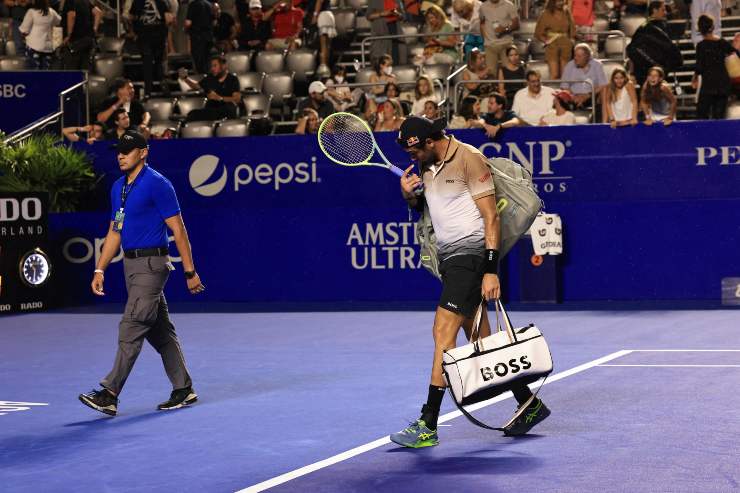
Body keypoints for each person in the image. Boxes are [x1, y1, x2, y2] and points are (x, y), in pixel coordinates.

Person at [390, 116, 550, 448]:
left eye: (415, 150)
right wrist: (409, 197)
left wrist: (491, 270)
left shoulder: (469, 158)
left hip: (472, 257)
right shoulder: (426, 165)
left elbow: (491, 216)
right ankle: (529, 403)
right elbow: (430, 209)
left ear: (431, 142)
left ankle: (428, 423)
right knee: (480, 337)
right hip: (450, 260)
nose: (412, 158)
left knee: (442, 333)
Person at [78, 130, 204, 417]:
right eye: (118, 150)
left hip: (152, 266)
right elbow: (114, 230)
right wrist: (100, 268)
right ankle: (184, 389)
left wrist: (190, 271)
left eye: (127, 150)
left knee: (132, 325)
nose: (120, 155)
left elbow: (178, 230)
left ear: (143, 152)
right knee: (160, 331)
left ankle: (109, 393)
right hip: (129, 266)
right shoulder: (119, 187)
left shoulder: (158, 184)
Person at [626, 0, 683, 86]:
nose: (665, 13)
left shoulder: (661, 26)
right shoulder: (645, 28)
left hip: (659, 72)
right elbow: (633, 49)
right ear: (655, 10)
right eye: (662, 10)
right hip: (645, 73)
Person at [691, 14, 735, 119]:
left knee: (702, 115)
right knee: (719, 117)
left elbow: (699, 66)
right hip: (723, 84)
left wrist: (695, 77)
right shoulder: (722, 42)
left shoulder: (701, 46)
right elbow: (735, 54)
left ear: (700, 28)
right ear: (712, 27)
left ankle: (704, 136)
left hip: (708, 85)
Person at [179, 54, 241, 121]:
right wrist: (185, 78)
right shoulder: (210, 78)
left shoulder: (232, 79)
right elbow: (196, 86)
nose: (212, 69)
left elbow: (237, 99)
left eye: (215, 66)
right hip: (211, 109)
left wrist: (220, 98)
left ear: (223, 66)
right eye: (211, 66)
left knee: (227, 110)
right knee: (192, 114)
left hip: (225, 109)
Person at [130, 0, 169, 96]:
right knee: (149, 62)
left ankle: (160, 87)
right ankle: (150, 89)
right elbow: (131, 17)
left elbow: (167, 18)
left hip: (157, 37)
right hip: (145, 38)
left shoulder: (161, 2)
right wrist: (134, 32)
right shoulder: (138, 2)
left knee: (156, 62)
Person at [534, 0, 575, 80]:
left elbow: (572, 29)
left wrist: (571, 40)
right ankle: (554, 92)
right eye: (558, 1)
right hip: (552, 45)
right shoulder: (546, 14)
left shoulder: (566, 12)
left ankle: (564, 92)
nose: (561, 3)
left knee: (565, 75)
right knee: (554, 74)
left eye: (562, 0)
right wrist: (546, 41)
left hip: (566, 44)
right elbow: (538, 33)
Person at [479, 0, 519, 79]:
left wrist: (505, 29)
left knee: (509, 72)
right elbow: (482, 23)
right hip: (490, 45)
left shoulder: (509, 5)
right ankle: (493, 91)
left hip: (506, 44)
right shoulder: (483, 7)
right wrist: (485, 38)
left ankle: (509, 91)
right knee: (491, 74)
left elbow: (516, 24)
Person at [560, 43, 606, 110]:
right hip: (573, 97)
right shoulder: (569, 65)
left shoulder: (597, 65)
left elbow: (603, 85)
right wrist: (574, 97)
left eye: (579, 56)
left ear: (587, 56)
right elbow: (564, 86)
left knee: (603, 95)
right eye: (575, 55)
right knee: (561, 98)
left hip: (591, 96)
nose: (575, 58)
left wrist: (587, 96)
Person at [19, 0, 61, 70]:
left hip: (33, 46)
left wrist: (24, 38)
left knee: (33, 73)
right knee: (45, 74)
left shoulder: (31, 12)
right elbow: (58, 22)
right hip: (48, 47)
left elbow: (24, 31)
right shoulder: (52, 12)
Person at [61, 0, 101, 70]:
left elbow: (72, 15)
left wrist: (68, 35)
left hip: (75, 40)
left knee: (72, 68)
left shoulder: (70, 1)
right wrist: (94, 29)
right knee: (84, 68)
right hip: (87, 39)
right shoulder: (85, 1)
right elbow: (98, 12)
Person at [304, 0, 336, 77]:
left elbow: (319, 1)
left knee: (323, 45)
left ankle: (323, 67)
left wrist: (315, 15)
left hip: (323, 15)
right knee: (326, 46)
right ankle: (325, 66)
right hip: (327, 15)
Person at [367, 0, 403, 65]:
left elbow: (402, 16)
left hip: (395, 28)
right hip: (381, 30)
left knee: (396, 55)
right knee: (382, 58)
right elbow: (369, 16)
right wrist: (382, 13)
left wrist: (397, 14)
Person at [185, 0, 215, 74]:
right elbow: (214, 21)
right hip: (208, 36)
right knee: (207, 62)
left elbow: (188, 23)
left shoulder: (193, 4)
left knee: (198, 63)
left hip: (197, 37)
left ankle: (200, 81)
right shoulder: (209, 4)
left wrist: (185, 29)